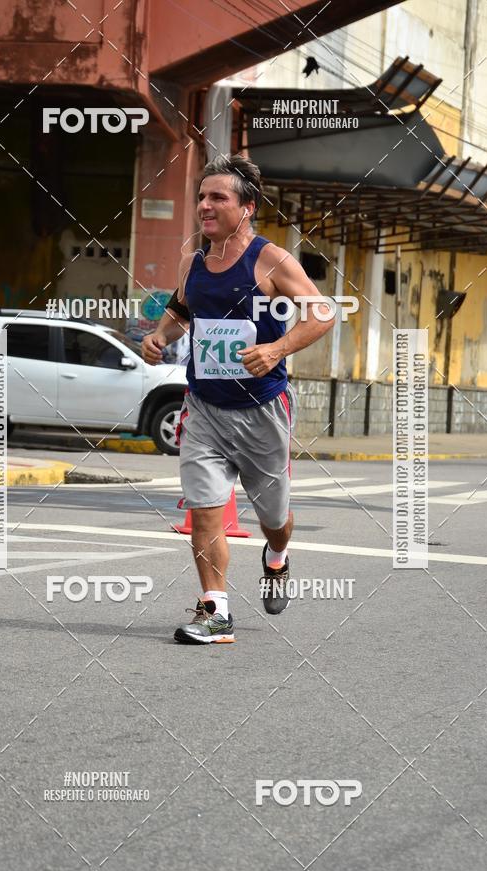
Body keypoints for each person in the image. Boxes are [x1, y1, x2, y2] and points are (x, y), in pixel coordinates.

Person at [142, 153, 333, 645]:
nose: (204, 205)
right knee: (206, 510)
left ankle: (277, 557)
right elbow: (182, 309)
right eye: (201, 197)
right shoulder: (193, 261)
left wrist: (277, 348)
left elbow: (323, 313)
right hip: (203, 406)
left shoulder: (270, 260)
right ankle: (215, 613)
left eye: (217, 198)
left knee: (274, 519)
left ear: (246, 207)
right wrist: (160, 336)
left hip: (262, 409)